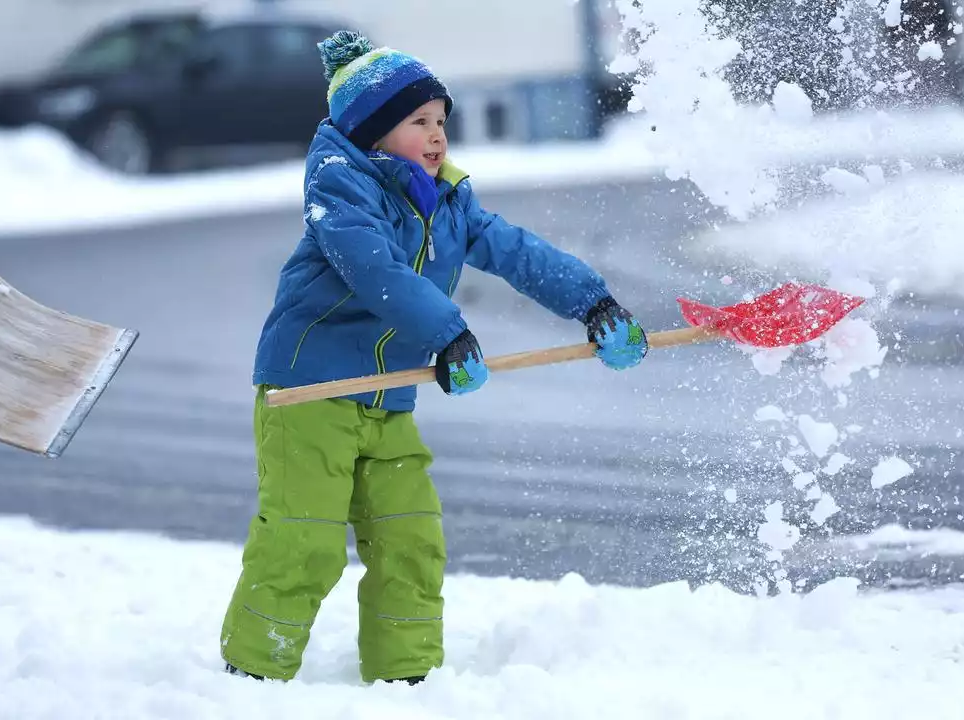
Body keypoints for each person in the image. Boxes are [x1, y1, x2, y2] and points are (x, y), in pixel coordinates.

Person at [218, 30, 649, 685]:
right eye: (418, 121)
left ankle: (406, 675)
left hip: (388, 398)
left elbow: (516, 251)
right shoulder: (340, 189)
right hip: (310, 392)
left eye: (441, 120)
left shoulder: (447, 201)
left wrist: (594, 303)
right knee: (304, 538)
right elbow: (372, 267)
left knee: (410, 538)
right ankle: (252, 670)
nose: (437, 134)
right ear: (372, 130)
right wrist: (447, 332)